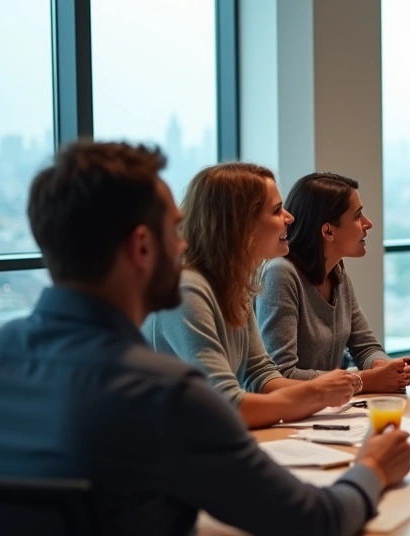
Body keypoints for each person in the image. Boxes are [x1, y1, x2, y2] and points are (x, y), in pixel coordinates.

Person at [0, 142, 410, 536]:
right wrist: (371, 469)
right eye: (174, 229)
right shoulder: (166, 395)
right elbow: (315, 521)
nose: (186, 243)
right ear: (143, 247)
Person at [144, 162, 360, 429]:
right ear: (240, 224)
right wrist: (317, 392)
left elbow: (261, 375)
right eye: (276, 210)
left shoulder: (232, 286)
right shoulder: (186, 291)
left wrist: (331, 388)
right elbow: (226, 406)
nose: (289, 217)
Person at [257, 172, 410, 391]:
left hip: (327, 411)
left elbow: (365, 347)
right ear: (328, 231)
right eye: (357, 216)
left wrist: (388, 367)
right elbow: (282, 374)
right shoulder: (281, 273)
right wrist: (363, 380)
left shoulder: (337, 272)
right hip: (289, 418)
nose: (367, 223)